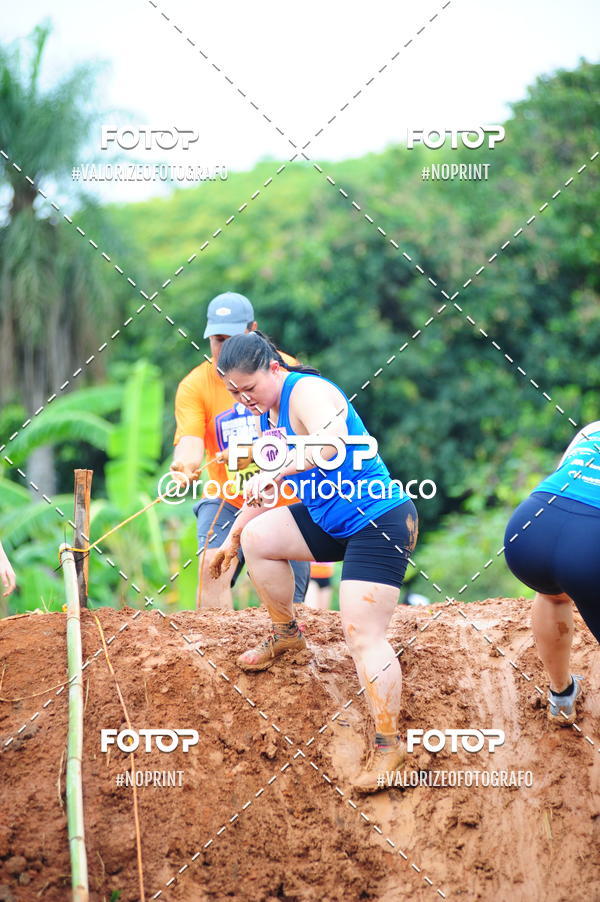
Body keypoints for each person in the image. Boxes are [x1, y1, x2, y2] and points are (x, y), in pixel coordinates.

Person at [210, 331, 419, 792]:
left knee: (361, 632)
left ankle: (389, 745)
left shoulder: (308, 391)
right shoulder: (268, 414)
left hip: (378, 518)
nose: (244, 399)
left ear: (274, 369)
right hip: (329, 517)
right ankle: (286, 634)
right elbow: (264, 493)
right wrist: (234, 537)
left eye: (250, 388)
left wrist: (281, 467)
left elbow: (333, 444)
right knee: (260, 537)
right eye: (234, 393)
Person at [170, 292, 310, 610]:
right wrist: (184, 466)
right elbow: (190, 442)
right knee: (211, 568)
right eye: (217, 340)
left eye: (232, 338)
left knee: (290, 600)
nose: (223, 349)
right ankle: (215, 649)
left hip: (286, 497)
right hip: (227, 496)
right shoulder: (195, 386)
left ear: (253, 330)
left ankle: (287, 645)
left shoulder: (285, 371)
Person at [504, 421, 600, 726]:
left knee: (553, 595)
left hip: (529, 531)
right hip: (587, 545)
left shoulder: (593, 429)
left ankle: (561, 696)